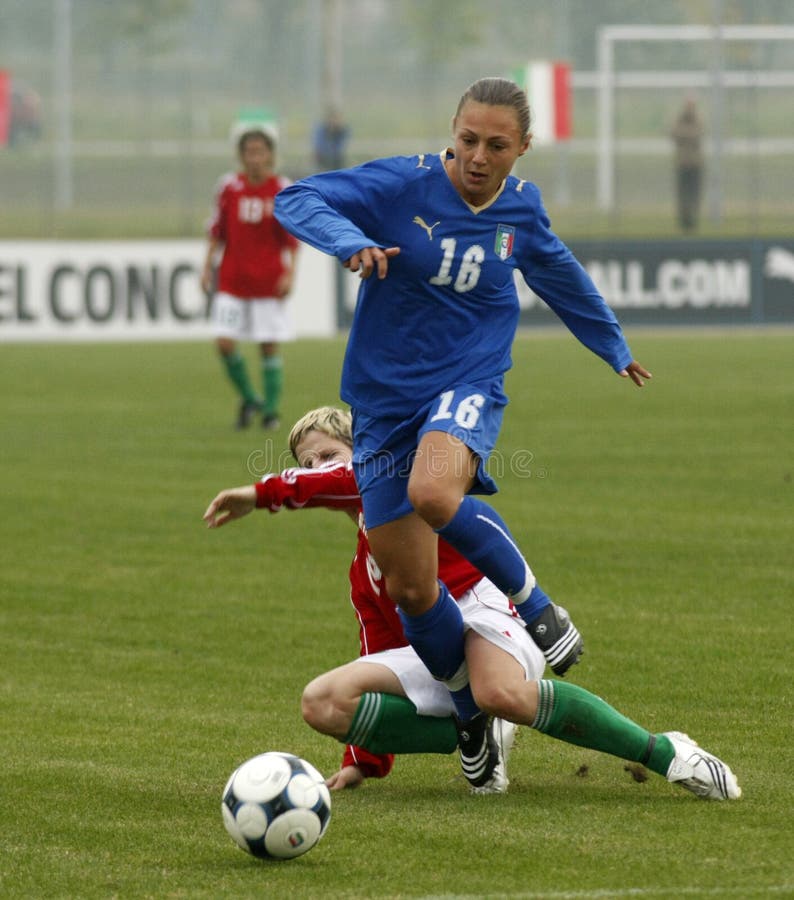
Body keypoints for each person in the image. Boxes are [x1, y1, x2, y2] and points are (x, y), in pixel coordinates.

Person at [273, 77, 653, 788]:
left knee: (435, 493)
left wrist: (612, 345)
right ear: (453, 131)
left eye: (497, 145)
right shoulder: (400, 186)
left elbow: (561, 275)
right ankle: (468, 714)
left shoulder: (520, 209)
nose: (478, 156)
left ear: (523, 148)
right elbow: (296, 199)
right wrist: (349, 240)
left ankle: (539, 610)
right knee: (414, 591)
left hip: (467, 384)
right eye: (469, 139)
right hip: (384, 403)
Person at [204, 407, 741, 801]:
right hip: (433, 648)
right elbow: (380, 647)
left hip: (483, 609)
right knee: (321, 702)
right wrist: (362, 760)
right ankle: (477, 732)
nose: (318, 467)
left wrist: (267, 491)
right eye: (308, 461)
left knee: (498, 691)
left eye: (328, 455)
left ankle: (667, 753)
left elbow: (346, 478)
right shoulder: (362, 566)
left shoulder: (393, 474)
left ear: (360, 450)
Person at [201, 123, 299, 430]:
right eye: (248, 151)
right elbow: (218, 232)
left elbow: (291, 240)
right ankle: (251, 397)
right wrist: (206, 267)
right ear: (241, 156)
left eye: (260, 151)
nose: (254, 157)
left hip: (267, 280)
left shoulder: (281, 188)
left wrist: (290, 274)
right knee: (224, 343)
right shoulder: (229, 187)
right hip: (232, 279)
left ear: (270, 154)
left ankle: (270, 411)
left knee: (268, 345)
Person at [670, 96, 705, 232]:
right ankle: (684, 219)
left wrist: (684, 134)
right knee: (683, 193)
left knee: (694, 193)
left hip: (695, 163)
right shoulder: (679, 118)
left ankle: (692, 219)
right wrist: (687, 134)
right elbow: (673, 133)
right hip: (682, 163)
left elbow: (698, 133)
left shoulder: (698, 118)